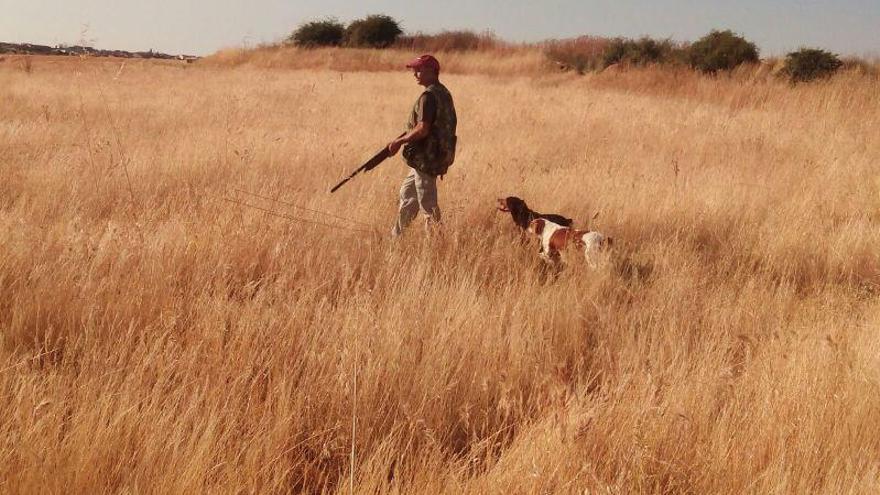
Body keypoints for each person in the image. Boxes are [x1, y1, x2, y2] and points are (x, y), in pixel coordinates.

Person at [387, 54, 457, 237]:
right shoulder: (443, 92)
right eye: (414, 69)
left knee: (428, 204)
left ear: (433, 72)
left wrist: (400, 141)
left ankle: (436, 245)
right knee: (408, 194)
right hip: (432, 156)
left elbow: (423, 129)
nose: (415, 73)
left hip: (427, 157)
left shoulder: (429, 96)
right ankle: (396, 237)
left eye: (419, 69)